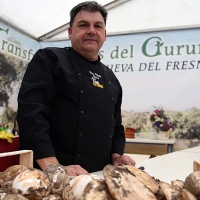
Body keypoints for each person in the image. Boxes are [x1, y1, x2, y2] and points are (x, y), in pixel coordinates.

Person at [17, 1, 136, 176]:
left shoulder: (111, 78)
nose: (91, 30)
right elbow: (31, 115)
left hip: (98, 176)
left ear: (104, 34)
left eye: (98, 26)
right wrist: (54, 168)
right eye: (83, 25)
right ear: (70, 32)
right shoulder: (50, 59)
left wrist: (117, 155)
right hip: (53, 176)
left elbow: (116, 126)